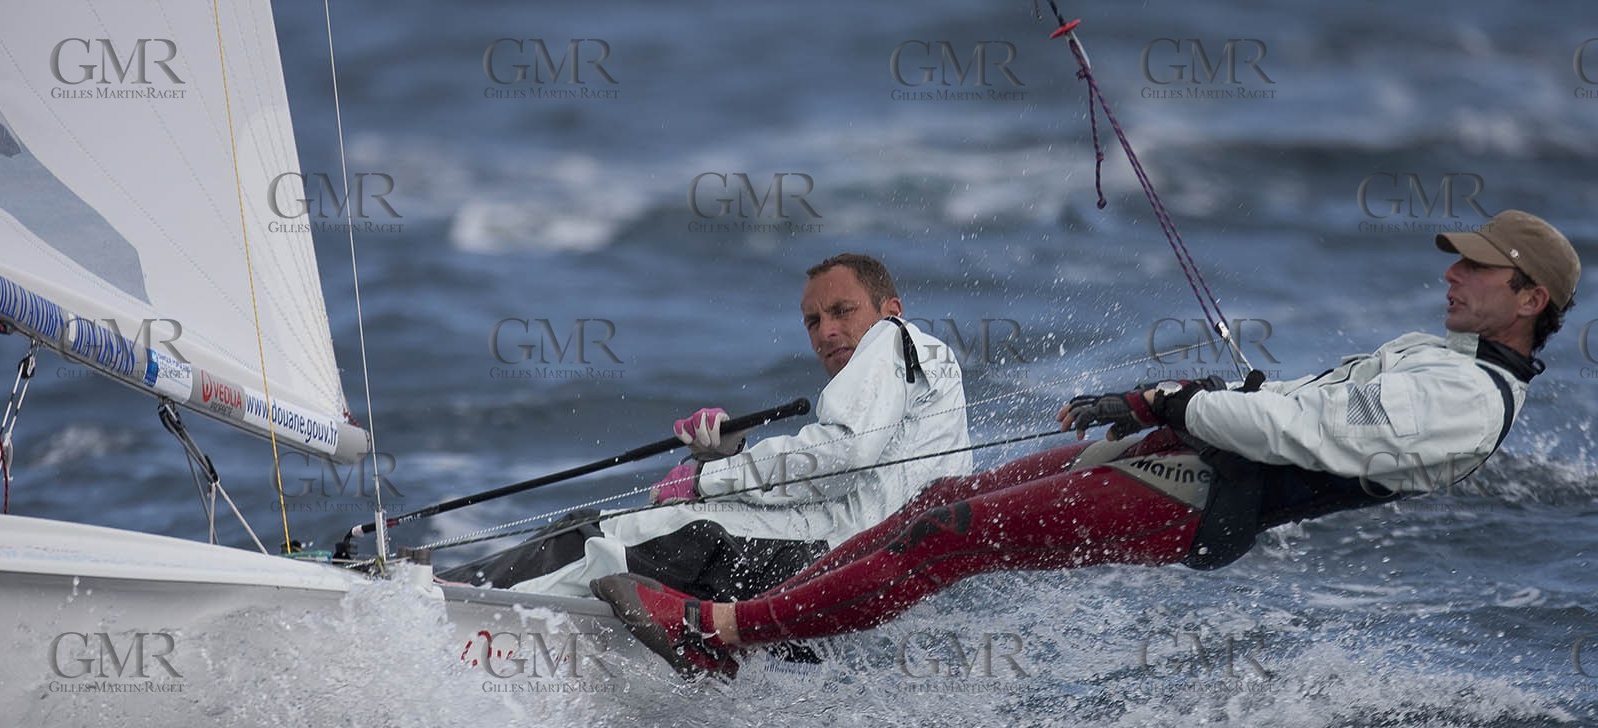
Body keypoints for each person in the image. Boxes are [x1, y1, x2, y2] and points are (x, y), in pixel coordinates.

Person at [592, 210, 1579, 678]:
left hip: (1198, 496)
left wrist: (1173, 400)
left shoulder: (1467, 399)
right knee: (937, 507)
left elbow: (1306, 430)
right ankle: (762, 618)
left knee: (957, 531)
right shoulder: (1440, 356)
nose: (1455, 274)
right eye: (1457, 259)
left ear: (1528, 300)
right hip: (1186, 452)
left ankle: (712, 632)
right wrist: (1155, 402)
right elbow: (1289, 402)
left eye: (1479, 270)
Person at [438, 253, 971, 600]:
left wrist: (703, 480)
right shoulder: (917, 379)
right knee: (621, 531)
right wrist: (721, 457)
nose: (827, 331)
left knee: (604, 534)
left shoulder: (894, 339)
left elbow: (839, 453)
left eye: (842, 311)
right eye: (813, 320)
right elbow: (839, 475)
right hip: (844, 569)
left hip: (826, 561)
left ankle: (439, 600)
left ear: (891, 309)